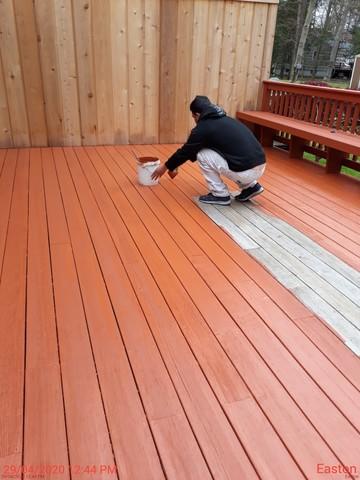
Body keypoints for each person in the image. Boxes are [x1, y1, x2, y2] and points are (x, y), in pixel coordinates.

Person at [151, 95, 266, 205]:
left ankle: (220, 195)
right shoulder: (226, 120)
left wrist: (165, 167)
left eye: (194, 117)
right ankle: (251, 187)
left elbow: (186, 151)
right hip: (260, 165)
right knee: (231, 153)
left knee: (202, 155)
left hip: (245, 171)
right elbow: (192, 149)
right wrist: (173, 165)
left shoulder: (203, 128)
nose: (195, 120)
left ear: (197, 114)